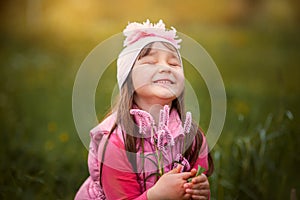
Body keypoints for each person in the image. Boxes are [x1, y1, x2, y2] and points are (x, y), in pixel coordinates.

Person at [75, 19, 214, 200]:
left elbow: (195, 186)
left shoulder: (193, 138)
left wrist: (199, 191)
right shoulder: (115, 142)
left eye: (173, 64)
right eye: (150, 62)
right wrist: (156, 196)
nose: (165, 67)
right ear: (129, 80)